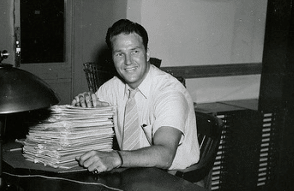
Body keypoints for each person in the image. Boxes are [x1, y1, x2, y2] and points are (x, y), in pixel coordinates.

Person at [72, 19, 200, 174]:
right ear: (113, 58)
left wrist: (116, 157)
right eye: (120, 54)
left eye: (135, 51)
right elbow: (85, 128)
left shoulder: (169, 92)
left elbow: (165, 155)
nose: (128, 61)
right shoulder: (112, 87)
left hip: (175, 179)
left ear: (147, 54)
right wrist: (84, 108)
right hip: (133, 173)